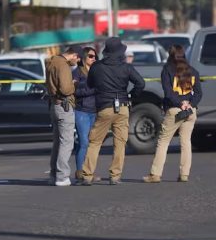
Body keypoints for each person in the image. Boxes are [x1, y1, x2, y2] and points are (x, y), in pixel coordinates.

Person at [81, 37, 145, 185]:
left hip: (104, 107)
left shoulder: (97, 67)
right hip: (122, 106)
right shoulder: (126, 67)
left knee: (95, 142)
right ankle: (115, 176)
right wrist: (131, 96)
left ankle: (87, 175)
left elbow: (90, 84)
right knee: (120, 143)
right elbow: (140, 83)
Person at [143, 44, 202, 183]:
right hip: (190, 111)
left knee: (163, 142)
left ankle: (155, 174)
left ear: (170, 55)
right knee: (186, 142)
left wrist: (180, 103)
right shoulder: (193, 71)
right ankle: (184, 174)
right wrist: (190, 104)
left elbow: (168, 93)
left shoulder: (167, 70)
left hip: (175, 110)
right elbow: (199, 93)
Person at [45, 46, 82, 187]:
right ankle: (62, 176)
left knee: (58, 143)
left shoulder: (52, 62)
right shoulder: (64, 66)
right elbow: (66, 89)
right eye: (77, 59)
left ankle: (53, 175)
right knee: (67, 142)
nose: (77, 62)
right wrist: (73, 84)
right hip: (64, 106)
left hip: (54, 105)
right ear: (74, 55)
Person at [72, 46, 98, 182]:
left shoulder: (96, 72)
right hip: (81, 111)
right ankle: (79, 171)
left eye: (95, 56)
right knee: (83, 142)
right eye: (91, 56)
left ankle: (89, 172)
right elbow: (75, 91)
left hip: (94, 111)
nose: (94, 58)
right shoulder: (77, 73)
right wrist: (92, 90)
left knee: (92, 143)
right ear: (84, 58)